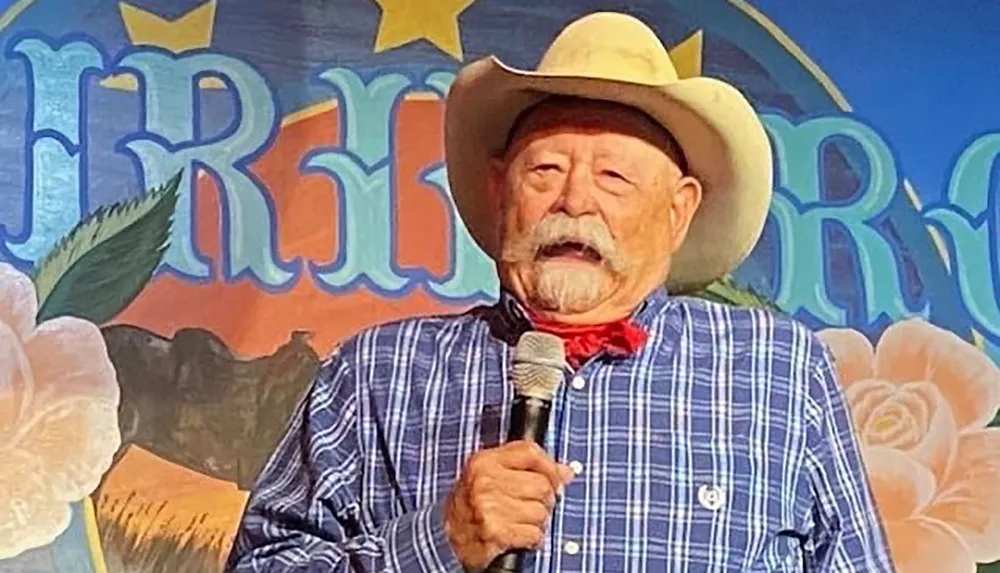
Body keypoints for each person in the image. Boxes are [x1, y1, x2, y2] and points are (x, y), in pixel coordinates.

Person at [226, 11, 895, 572]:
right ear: (498, 190)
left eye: (614, 178)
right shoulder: (380, 371)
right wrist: (436, 543)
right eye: (544, 170)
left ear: (678, 211)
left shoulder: (777, 367)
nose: (574, 201)